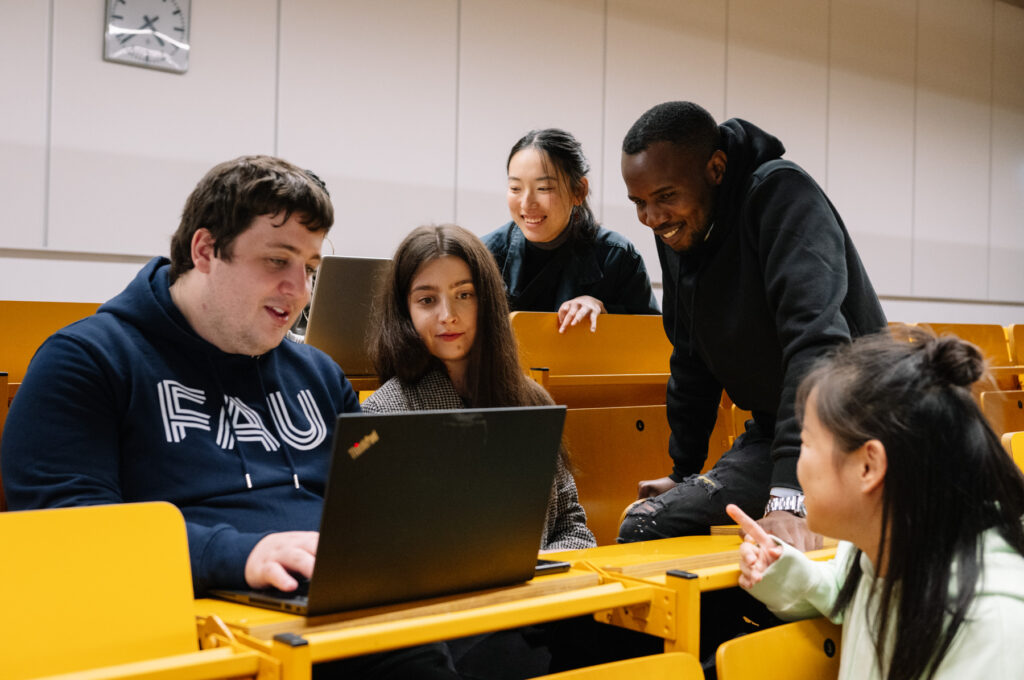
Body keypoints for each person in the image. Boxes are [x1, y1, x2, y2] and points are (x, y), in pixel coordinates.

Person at [0, 156, 458, 678]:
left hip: (352, 612)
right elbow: (70, 529)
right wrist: (241, 556)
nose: (301, 290)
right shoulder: (86, 361)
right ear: (205, 251)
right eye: (277, 261)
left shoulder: (320, 376)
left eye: (309, 268)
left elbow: (364, 467)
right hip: (200, 632)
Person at [618, 101, 887, 549]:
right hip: (779, 427)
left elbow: (817, 347)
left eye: (665, 196)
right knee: (648, 520)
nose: (652, 218)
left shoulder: (783, 195)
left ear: (716, 168)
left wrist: (790, 494)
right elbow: (690, 357)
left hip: (858, 422)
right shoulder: (680, 229)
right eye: (639, 203)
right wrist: (683, 473)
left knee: (648, 527)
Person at [727, 326, 1024, 679]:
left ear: (869, 466)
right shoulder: (879, 546)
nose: (795, 466)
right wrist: (779, 566)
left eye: (805, 445)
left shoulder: (992, 623)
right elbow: (838, 589)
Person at [361, 223, 595, 553]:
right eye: (427, 300)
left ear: (487, 302)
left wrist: (532, 575)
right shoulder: (382, 414)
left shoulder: (531, 399)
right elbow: (376, 547)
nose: (448, 316)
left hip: (539, 595)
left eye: (464, 295)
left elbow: (572, 527)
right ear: (405, 312)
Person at [483, 128, 659, 333]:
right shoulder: (485, 256)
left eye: (543, 189)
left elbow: (651, 341)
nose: (526, 203)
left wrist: (605, 314)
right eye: (515, 188)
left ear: (579, 191)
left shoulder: (616, 256)